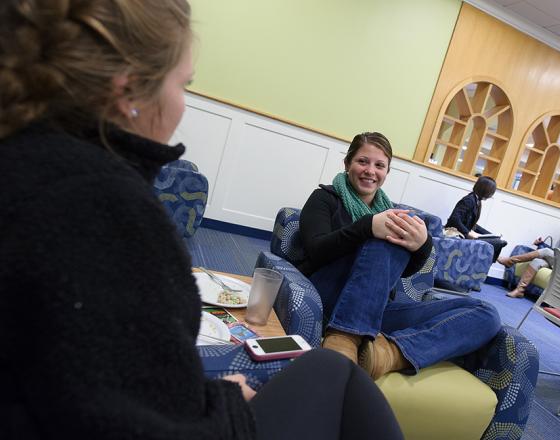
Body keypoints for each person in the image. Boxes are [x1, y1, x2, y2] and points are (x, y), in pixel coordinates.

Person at [0, 2, 404, 439]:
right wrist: (227, 407)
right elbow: (123, 417)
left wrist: (416, 245)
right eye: (184, 84)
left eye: (380, 165)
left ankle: (382, 349)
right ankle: (349, 341)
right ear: (130, 88)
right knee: (332, 368)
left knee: (473, 309)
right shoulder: (104, 207)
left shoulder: (35, 167)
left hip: (376, 308)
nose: (182, 105)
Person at [298, 132, 501, 379]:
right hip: (328, 297)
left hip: (376, 309)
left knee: (487, 314)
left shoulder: (390, 212)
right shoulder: (324, 198)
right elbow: (316, 251)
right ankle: (343, 336)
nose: (370, 170)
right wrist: (368, 227)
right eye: (362, 161)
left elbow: (399, 272)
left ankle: (390, 354)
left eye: (379, 165)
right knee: (385, 234)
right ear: (347, 163)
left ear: (387, 172)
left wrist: (422, 245)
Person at [444, 176, 508, 262]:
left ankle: (497, 259)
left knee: (497, 240)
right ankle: (498, 259)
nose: (491, 195)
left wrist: (491, 235)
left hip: (462, 232)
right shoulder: (469, 200)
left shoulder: (477, 200)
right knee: (499, 243)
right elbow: (454, 219)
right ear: (486, 190)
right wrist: (468, 233)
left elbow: (472, 224)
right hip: (455, 233)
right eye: (492, 191)